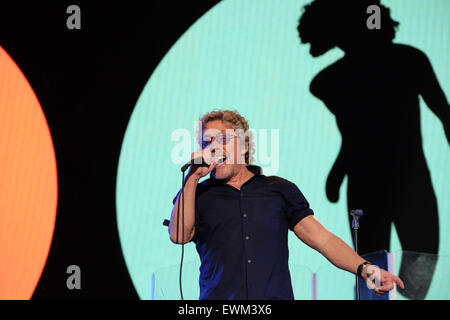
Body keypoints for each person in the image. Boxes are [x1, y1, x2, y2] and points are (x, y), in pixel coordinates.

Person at [297, 0, 449, 299]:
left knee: (414, 276)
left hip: (398, 183)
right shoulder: (332, 80)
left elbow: (443, 115)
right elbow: (359, 134)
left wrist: (338, 172)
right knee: (373, 272)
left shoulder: (334, 80)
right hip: (392, 183)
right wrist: (339, 171)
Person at [168, 109, 404, 300]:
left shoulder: (279, 190)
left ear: (245, 146)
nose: (213, 148)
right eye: (206, 142)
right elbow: (179, 236)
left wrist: (366, 269)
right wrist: (191, 179)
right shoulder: (196, 193)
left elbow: (322, 238)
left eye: (222, 140)